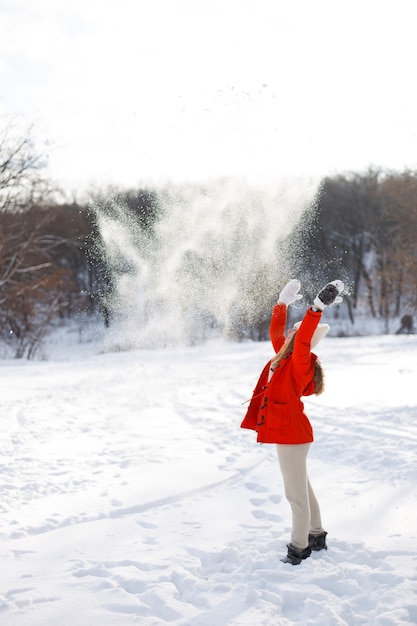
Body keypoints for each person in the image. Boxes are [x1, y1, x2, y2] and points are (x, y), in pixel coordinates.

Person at [241, 278, 344, 565]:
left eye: (295, 334)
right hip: (291, 434)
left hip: (292, 436)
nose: (289, 335)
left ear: (303, 341)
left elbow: (303, 337)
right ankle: (316, 533)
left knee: (294, 496)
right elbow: (276, 331)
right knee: (303, 488)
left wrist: (317, 308)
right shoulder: (282, 354)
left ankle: (299, 548)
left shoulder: (300, 361)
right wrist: (281, 304)